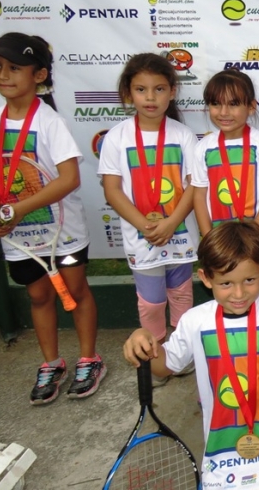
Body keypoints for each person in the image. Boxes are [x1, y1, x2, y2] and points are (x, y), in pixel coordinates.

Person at [122, 220, 259, 490]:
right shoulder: (195, 321)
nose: (239, 293)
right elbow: (163, 366)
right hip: (221, 464)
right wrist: (143, 341)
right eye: (226, 283)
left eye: (249, 280)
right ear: (206, 278)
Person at [0, 32, 104, 404]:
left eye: (14, 68)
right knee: (37, 296)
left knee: (76, 292)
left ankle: (89, 359)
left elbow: (69, 179)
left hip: (63, 233)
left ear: (39, 75)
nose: (3, 75)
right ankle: (51, 363)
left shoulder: (49, 122)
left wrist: (19, 209)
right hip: (18, 238)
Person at [99, 53, 199, 384]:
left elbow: (194, 186)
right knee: (152, 302)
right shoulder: (117, 137)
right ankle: (155, 358)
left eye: (159, 89)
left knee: (181, 295)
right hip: (141, 238)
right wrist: (146, 226)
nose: (150, 97)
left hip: (179, 234)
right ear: (128, 93)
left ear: (172, 91)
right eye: (141, 90)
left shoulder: (183, 135)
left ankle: (182, 353)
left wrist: (170, 223)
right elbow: (112, 190)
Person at [192, 69, 259, 286]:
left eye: (233, 104)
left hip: (257, 242)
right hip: (219, 245)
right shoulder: (203, 147)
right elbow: (199, 195)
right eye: (216, 104)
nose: (224, 112)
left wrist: (255, 230)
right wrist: (209, 238)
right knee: (227, 296)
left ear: (251, 107)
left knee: (254, 295)